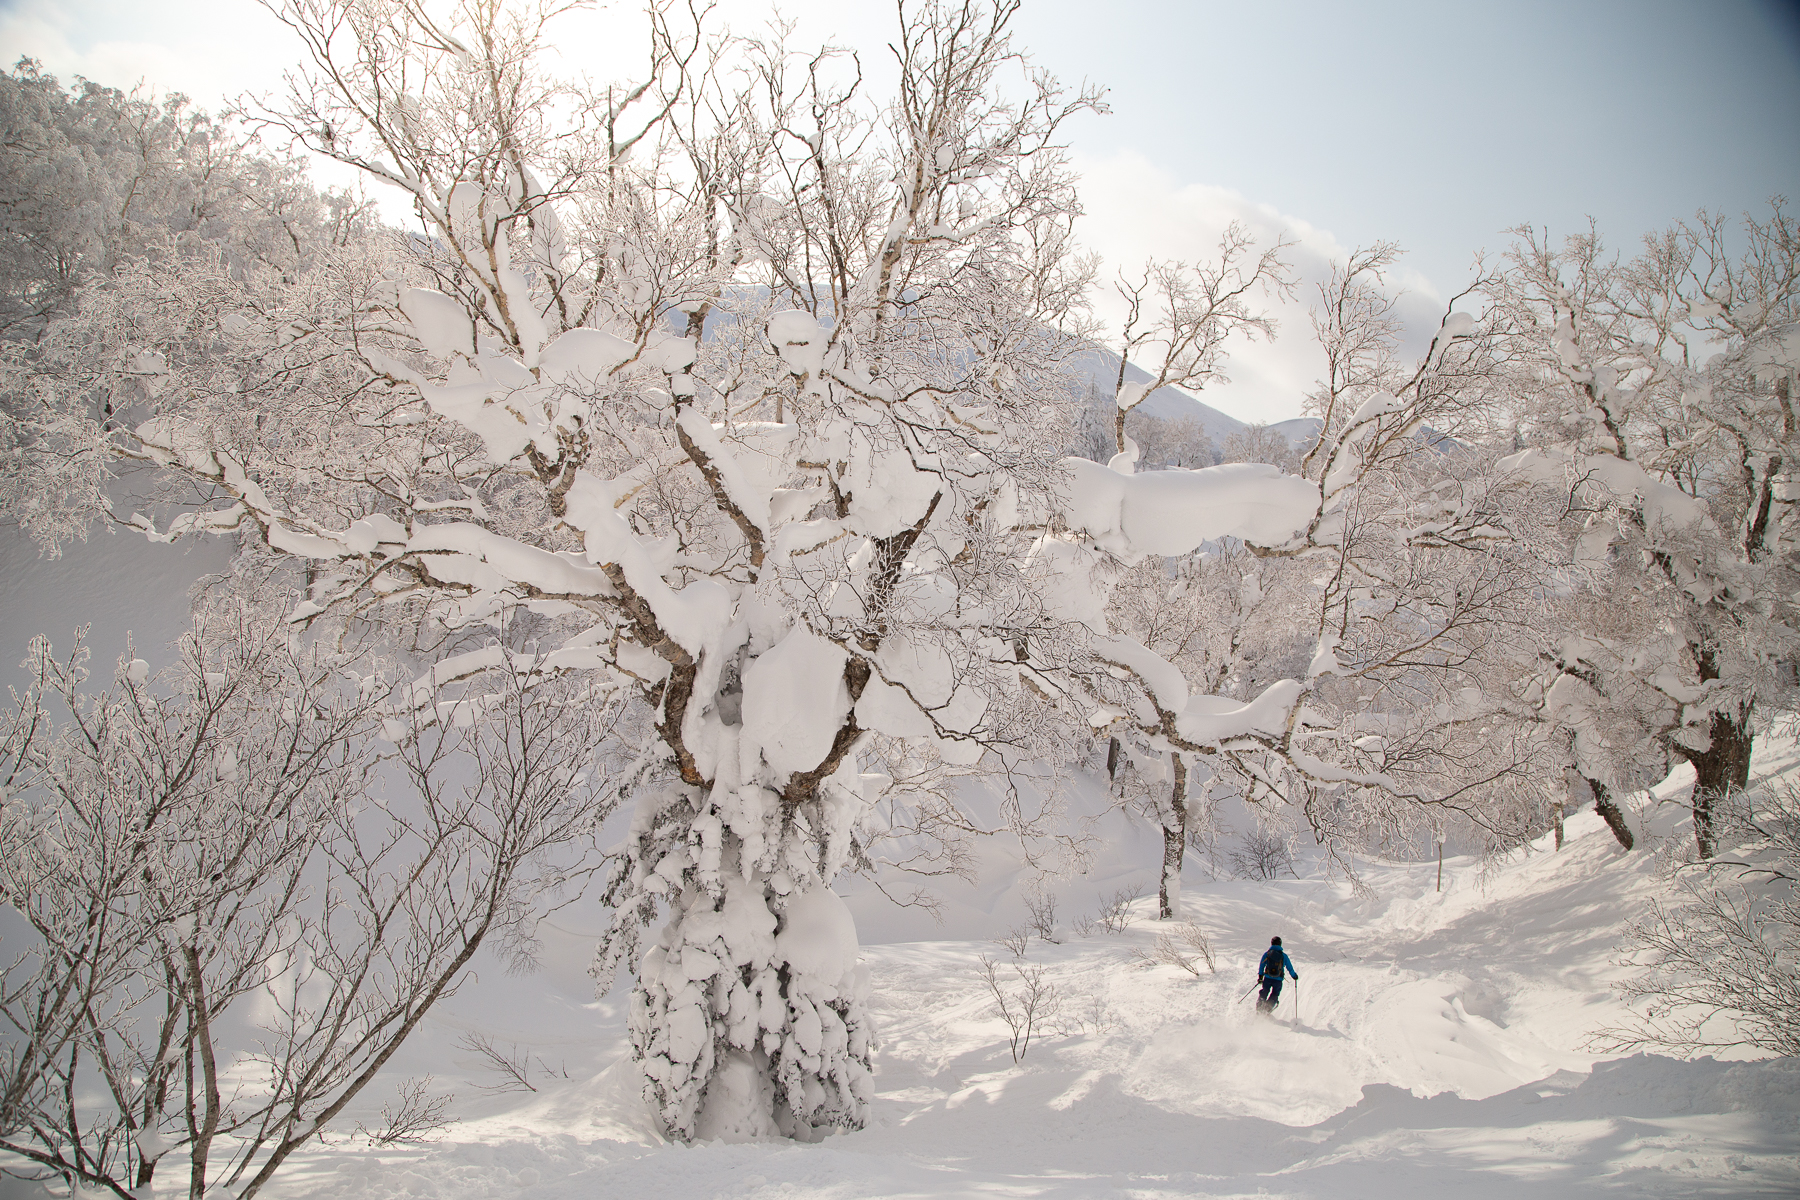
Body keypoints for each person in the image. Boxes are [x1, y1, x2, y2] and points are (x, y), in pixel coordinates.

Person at [1256, 936, 1298, 1014]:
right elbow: (1289, 967)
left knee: (1264, 991)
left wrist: (1260, 976)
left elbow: (1262, 965)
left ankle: (1259, 1008)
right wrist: (1294, 976)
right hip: (1278, 980)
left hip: (1267, 978)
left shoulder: (1267, 954)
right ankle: (1267, 1009)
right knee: (1275, 994)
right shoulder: (1283, 956)